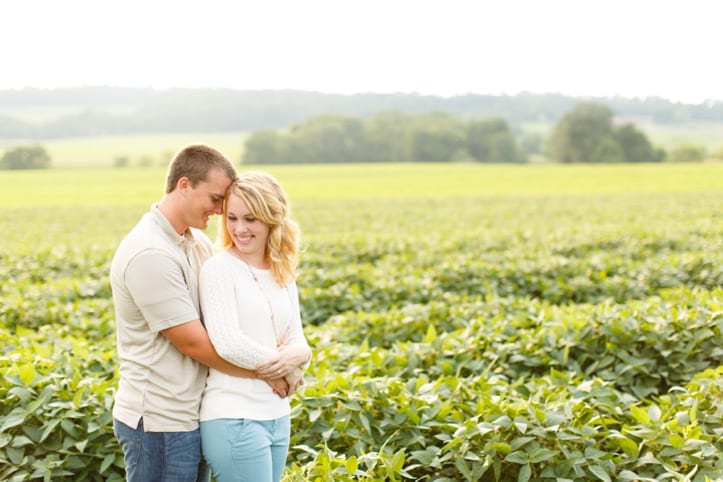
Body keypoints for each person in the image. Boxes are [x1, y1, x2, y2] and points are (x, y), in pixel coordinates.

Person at [110, 145, 289, 482]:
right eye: (215, 199)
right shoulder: (151, 253)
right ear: (184, 186)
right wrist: (268, 373)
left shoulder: (196, 242)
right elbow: (194, 344)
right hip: (160, 420)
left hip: (189, 413)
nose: (222, 211)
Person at [198, 171, 312, 482]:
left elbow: (299, 341)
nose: (239, 229)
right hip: (234, 417)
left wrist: (295, 360)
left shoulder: (282, 271)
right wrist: (286, 369)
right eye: (232, 218)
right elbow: (229, 342)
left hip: (277, 415)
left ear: (272, 219)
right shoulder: (219, 269)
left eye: (251, 219)